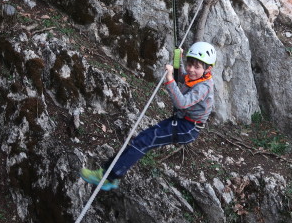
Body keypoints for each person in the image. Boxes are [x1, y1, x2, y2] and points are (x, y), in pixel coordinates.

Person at [80, 41, 216, 190]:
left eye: (197, 67)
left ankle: (109, 177)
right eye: (189, 64)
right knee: (142, 139)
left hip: (188, 128)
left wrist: (169, 79)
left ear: (208, 69)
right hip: (182, 121)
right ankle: (108, 173)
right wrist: (178, 60)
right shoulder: (197, 77)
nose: (191, 69)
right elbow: (185, 76)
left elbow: (182, 103)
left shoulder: (204, 87)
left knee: (144, 141)